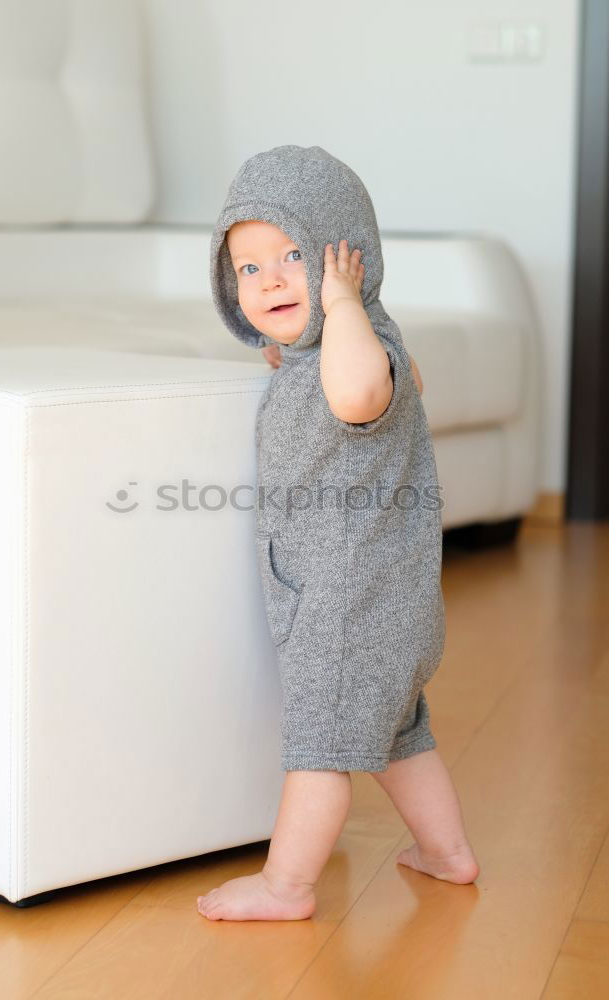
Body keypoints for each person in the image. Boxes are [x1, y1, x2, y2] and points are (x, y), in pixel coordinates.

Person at [198, 145, 479, 921]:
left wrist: (347, 310)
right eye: (247, 267)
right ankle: (447, 852)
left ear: (348, 256)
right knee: (399, 734)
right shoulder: (330, 353)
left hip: (351, 604)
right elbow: (397, 386)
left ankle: (285, 885)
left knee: (321, 743)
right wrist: (302, 354)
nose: (271, 279)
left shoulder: (359, 346)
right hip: (382, 599)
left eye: (294, 254)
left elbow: (361, 396)